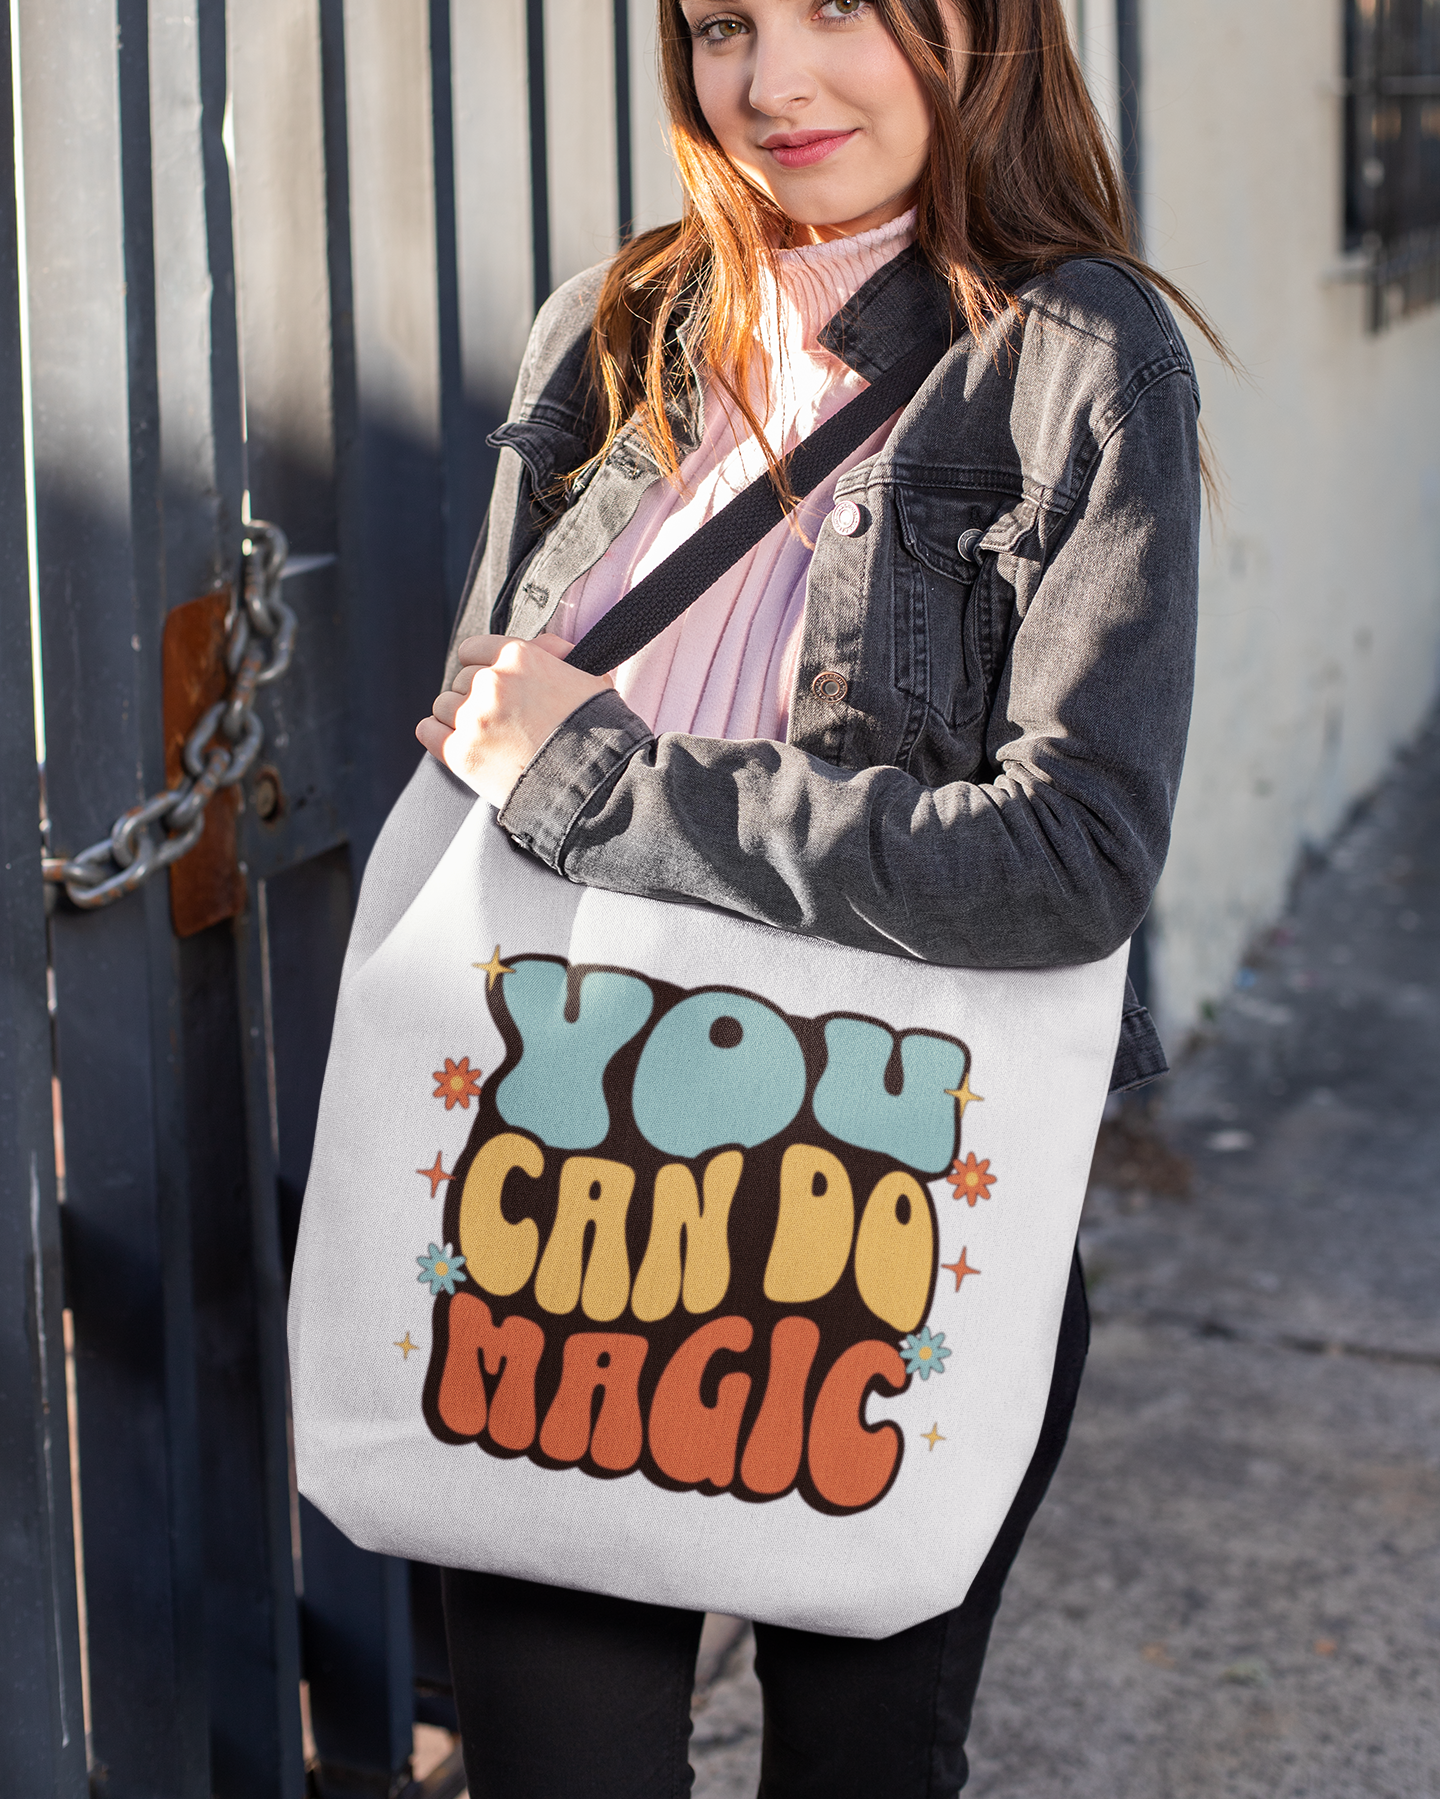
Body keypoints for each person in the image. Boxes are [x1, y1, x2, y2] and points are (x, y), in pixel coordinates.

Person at [406, 1, 1218, 1793]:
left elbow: (1073, 858)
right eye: (719, 25)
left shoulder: (1083, 356)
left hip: (883, 1232)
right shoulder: (616, 321)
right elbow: (497, 738)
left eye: (838, 7)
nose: (770, 84)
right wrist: (502, 736)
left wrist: (601, 778)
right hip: (565, 1192)